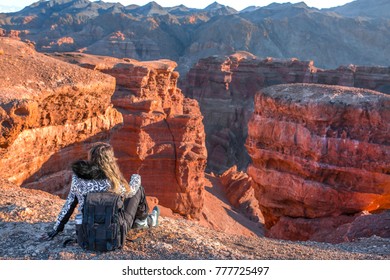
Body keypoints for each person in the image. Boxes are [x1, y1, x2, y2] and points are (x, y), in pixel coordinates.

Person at [47, 142, 159, 240]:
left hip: (86, 229)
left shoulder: (78, 178)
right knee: (138, 189)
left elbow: (70, 203)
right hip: (113, 231)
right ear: (109, 160)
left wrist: (58, 227)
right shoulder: (114, 182)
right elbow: (131, 192)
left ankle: (142, 221)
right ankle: (143, 221)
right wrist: (136, 177)